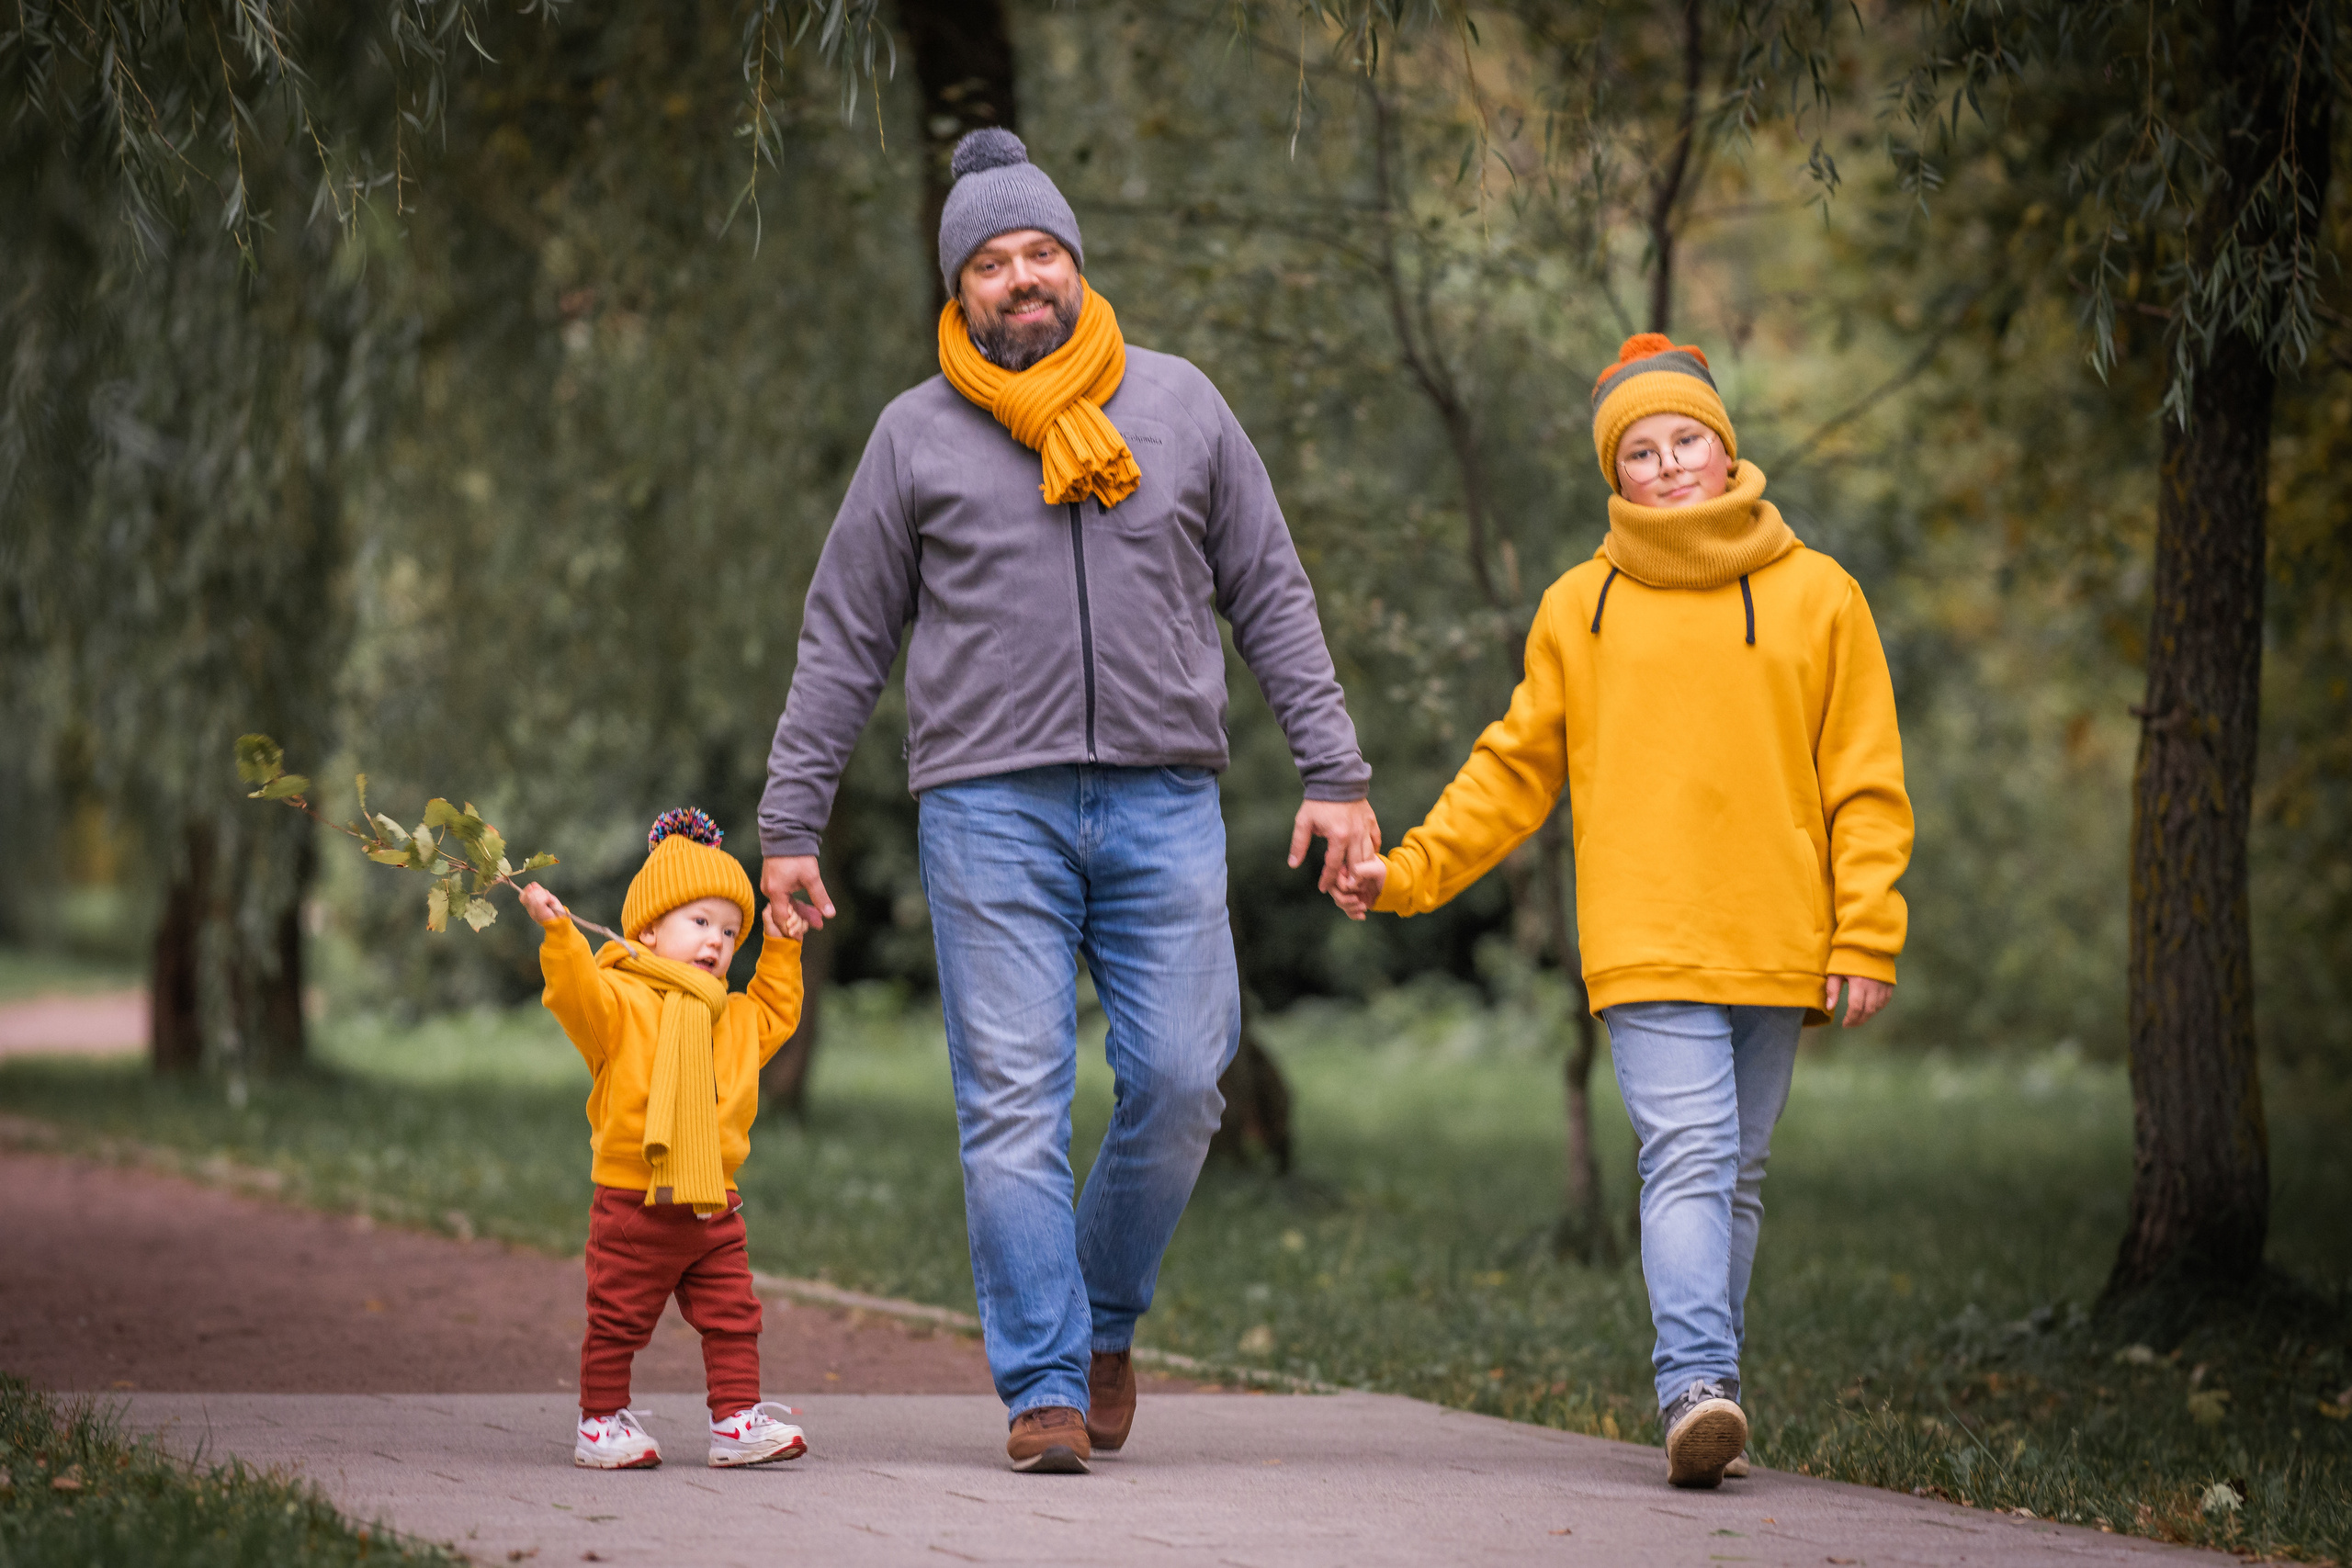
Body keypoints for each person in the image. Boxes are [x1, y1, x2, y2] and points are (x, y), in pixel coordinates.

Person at [758, 128, 1378, 1473]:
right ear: (960, 289)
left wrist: (1337, 775)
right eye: (992, 261)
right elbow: (843, 635)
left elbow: (1270, 589)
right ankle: (1043, 1380)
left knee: (1182, 1074)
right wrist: (789, 822)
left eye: (1042, 253)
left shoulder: (1181, 406)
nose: (1021, 279)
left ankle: (1102, 1312)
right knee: (1013, 1100)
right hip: (988, 809)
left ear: (1077, 266)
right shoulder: (913, 436)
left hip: (1161, 799)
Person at [1333, 333, 1913, 1490]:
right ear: (1616, 474)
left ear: (1723, 444)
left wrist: (1866, 930)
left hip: (1776, 934)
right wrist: (1405, 871)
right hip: (1647, 936)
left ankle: (1714, 1393)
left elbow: (1864, 780)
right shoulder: (1578, 608)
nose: (1666, 465)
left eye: (1684, 439)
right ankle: (1694, 1385)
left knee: (1734, 1169)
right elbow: (1510, 772)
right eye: (1638, 451)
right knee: (1689, 1153)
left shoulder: (1819, 595)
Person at [521, 808, 812, 1472]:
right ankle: (600, 1420)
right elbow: (576, 995)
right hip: (634, 1198)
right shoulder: (620, 1001)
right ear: (649, 928)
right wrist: (561, 934)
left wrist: (783, 945)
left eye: (731, 930)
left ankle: (736, 1417)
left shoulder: (733, 1016)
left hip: (713, 1198)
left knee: (734, 1313)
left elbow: (775, 1009)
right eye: (700, 921)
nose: (717, 940)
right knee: (618, 1315)